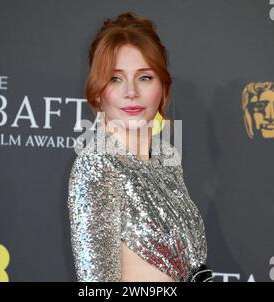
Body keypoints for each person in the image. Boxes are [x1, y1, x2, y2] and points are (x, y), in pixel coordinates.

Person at [67, 12, 211, 282]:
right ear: (98, 93)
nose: (131, 91)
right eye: (115, 78)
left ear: (163, 89)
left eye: (145, 77)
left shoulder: (166, 157)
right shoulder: (97, 165)